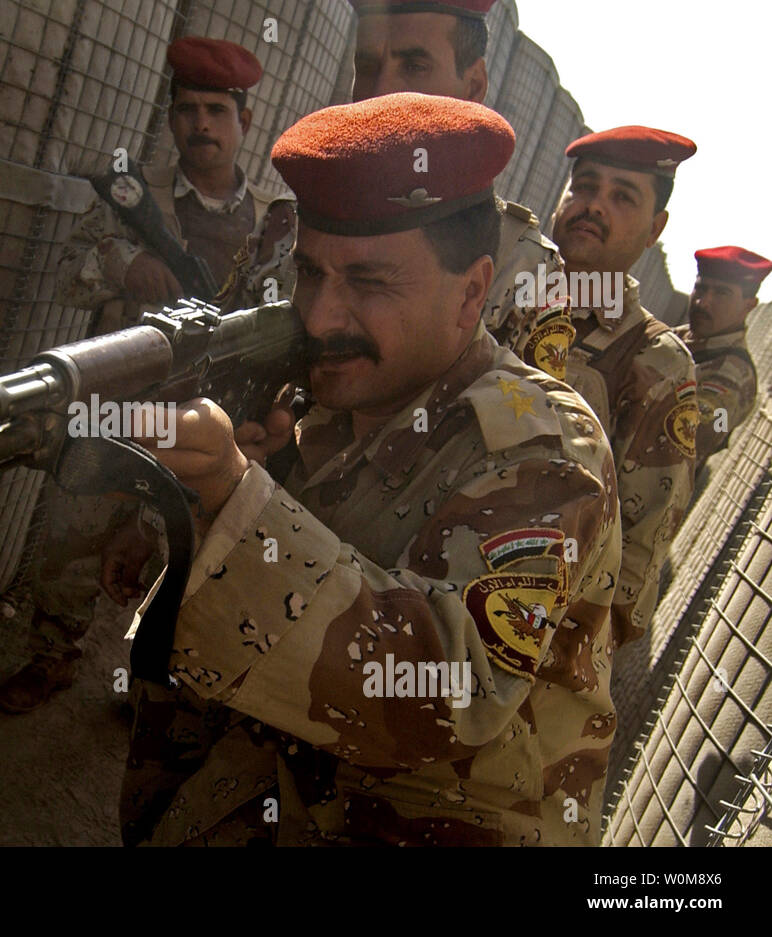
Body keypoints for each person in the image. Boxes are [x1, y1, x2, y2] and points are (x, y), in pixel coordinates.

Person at [109, 93, 621, 846]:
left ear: (471, 292)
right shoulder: (344, 390)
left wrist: (239, 497)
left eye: (371, 283)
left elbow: (452, 687)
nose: (319, 316)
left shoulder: (544, 448)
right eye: (311, 272)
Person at [0, 37, 295, 714]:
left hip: (208, 419)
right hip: (119, 405)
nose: (201, 124)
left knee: (186, 555)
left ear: (244, 122)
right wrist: (124, 267)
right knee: (76, 530)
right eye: (187, 109)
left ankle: (154, 682)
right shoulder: (136, 198)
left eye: (217, 110)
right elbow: (71, 268)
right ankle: (53, 654)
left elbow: (281, 330)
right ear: (171, 118)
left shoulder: (273, 225)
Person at [345, 0, 574, 380]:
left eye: (414, 67)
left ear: (473, 86)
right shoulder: (296, 221)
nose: (381, 91)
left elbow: (522, 426)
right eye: (367, 67)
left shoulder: (526, 269)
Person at [549, 126, 699, 649]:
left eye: (622, 197)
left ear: (655, 228)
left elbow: (637, 553)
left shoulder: (656, 362)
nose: (593, 206)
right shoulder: (492, 293)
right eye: (585, 187)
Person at [675, 246, 768, 473]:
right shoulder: (675, 336)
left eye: (721, 293)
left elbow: (704, 432)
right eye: (700, 289)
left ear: (749, 305)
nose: (702, 302)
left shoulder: (734, 376)